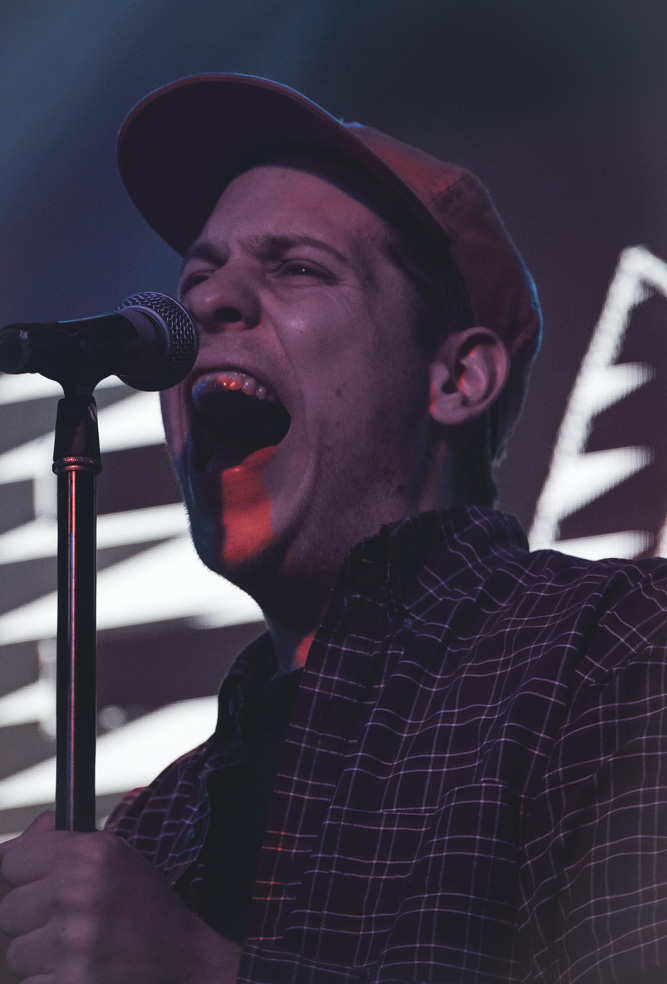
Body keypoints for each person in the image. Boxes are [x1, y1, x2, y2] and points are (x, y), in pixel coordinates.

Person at [1, 74, 666, 984]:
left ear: (457, 380)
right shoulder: (159, 825)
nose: (206, 308)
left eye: (297, 268)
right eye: (197, 279)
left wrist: (205, 972)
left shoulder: (615, 648)